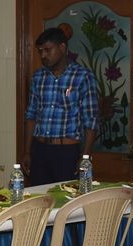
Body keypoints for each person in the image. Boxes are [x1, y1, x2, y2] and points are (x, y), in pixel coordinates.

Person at [23, 27, 98, 185]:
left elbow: (91, 121)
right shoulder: (38, 77)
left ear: (62, 47)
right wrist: (27, 152)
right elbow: (31, 116)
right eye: (40, 51)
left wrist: (85, 158)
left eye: (47, 50)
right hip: (40, 150)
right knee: (40, 202)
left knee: (66, 202)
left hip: (67, 152)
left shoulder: (82, 76)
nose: (43, 56)